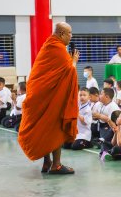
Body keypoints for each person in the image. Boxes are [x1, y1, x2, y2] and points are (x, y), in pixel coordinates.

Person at [18, 22, 80, 175]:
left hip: (41, 97)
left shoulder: (48, 46)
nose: (71, 36)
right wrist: (73, 62)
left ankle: (47, 162)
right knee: (54, 128)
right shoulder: (58, 49)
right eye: (69, 33)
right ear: (61, 34)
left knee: (46, 128)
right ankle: (56, 165)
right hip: (50, 98)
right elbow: (69, 73)